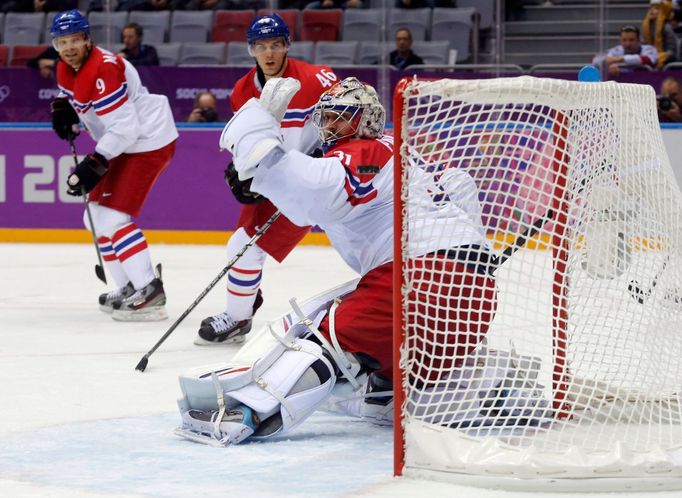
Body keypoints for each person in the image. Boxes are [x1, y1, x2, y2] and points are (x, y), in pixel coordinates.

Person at [175, 77, 547, 445]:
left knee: (324, 336)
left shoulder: (366, 151)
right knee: (391, 375)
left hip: (419, 284)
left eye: (342, 117)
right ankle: (500, 389)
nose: (331, 126)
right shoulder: (408, 157)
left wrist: (260, 147)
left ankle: (249, 412)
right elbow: (460, 182)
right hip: (476, 297)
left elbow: (312, 191)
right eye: (328, 118)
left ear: (367, 119)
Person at [194, 13, 338, 345]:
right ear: (251, 50)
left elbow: (349, 118)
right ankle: (239, 315)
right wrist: (241, 171)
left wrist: (326, 153)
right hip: (276, 180)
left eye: (275, 45)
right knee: (242, 245)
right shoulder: (242, 90)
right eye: (261, 46)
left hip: (316, 181)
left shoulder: (318, 79)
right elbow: (246, 140)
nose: (269, 53)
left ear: (287, 45)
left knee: (358, 248)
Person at [49, 10, 177, 321]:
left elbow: (126, 127)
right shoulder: (66, 70)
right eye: (62, 42)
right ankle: (127, 285)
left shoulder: (105, 68)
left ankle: (149, 288)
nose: (68, 47)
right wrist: (68, 114)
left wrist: (94, 162)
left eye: (74, 40)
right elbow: (83, 103)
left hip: (147, 141)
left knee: (112, 218)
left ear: (87, 39)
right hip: (125, 143)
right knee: (93, 217)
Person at [593, 25, 658, 77]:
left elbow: (649, 60)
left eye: (631, 40)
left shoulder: (649, 49)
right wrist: (609, 64)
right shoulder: (616, 50)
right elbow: (596, 60)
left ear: (639, 40)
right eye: (624, 40)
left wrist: (621, 59)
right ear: (620, 40)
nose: (628, 44)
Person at [642, 0, 677, 68]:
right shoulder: (645, 26)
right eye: (651, 8)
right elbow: (643, 45)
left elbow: (672, 52)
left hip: (665, 62)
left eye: (657, 8)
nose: (652, 11)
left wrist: (660, 57)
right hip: (649, 58)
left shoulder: (667, 27)